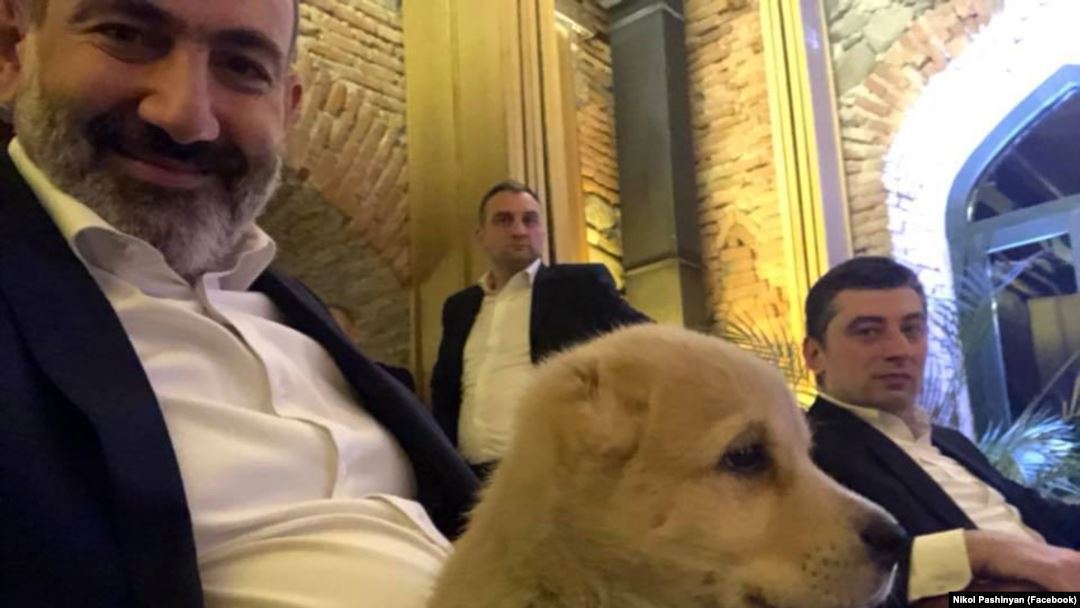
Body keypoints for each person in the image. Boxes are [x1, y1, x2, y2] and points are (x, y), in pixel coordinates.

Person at [0, 0, 476, 606]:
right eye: (126, 35)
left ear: (288, 108)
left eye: (243, 68)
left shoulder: (288, 302)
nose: (185, 116)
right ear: (12, 49)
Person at [802, 256, 1080, 605]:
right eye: (868, 332)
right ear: (815, 354)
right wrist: (981, 551)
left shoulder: (950, 443)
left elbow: (1040, 512)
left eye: (911, 329)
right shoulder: (809, 451)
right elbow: (830, 572)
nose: (899, 350)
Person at [430, 180, 649, 475]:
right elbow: (445, 390)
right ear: (481, 236)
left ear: (542, 231)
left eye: (530, 220)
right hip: (467, 476)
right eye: (504, 220)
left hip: (554, 471)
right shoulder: (459, 308)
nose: (520, 230)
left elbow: (647, 342)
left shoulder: (579, 286)